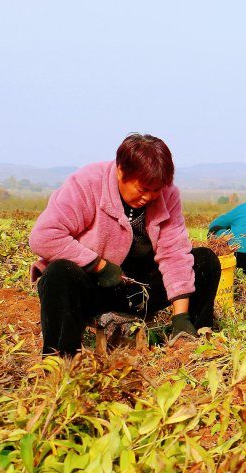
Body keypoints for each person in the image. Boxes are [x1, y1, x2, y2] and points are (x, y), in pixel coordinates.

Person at [29, 133, 222, 356]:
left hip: (139, 290)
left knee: (205, 261)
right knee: (58, 273)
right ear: (121, 171)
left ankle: (191, 342)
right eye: (142, 189)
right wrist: (97, 265)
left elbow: (174, 253)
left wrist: (180, 315)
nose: (149, 197)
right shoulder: (87, 183)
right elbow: (44, 236)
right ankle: (61, 361)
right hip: (95, 286)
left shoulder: (168, 195)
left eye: (156, 190)